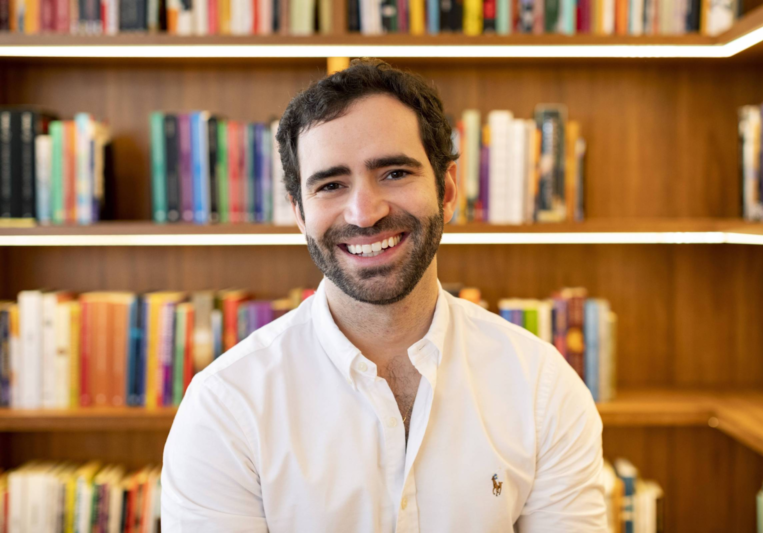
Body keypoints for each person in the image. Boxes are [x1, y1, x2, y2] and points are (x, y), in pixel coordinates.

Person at [161, 58, 606, 532]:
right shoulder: (227, 407)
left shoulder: (541, 387)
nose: (365, 213)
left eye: (394, 173)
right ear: (299, 213)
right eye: (331, 185)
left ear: (448, 189)